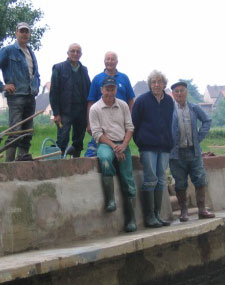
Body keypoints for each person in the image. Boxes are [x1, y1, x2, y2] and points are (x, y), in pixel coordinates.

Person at [89, 77, 137, 232]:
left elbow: (130, 127)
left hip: (122, 143)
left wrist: (123, 145)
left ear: (116, 89)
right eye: (107, 89)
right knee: (104, 160)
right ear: (102, 90)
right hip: (105, 143)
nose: (110, 92)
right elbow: (96, 133)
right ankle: (110, 200)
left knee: (128, 179)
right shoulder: (95, 108)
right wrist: (114, 147)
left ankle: (131, 219)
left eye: (112, 89)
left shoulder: (123, 105)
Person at [0, 22, 40, 161]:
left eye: (26, 31)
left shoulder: (30, 52)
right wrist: (2, 86)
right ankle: (9, 164)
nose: (24, 34)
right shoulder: (9, 51)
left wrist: (37, 86)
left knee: (27, 132)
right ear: (16, 33)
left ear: (29, 34)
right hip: (16, 97)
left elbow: (36, 74)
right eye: (21, 31)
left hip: (30, 96)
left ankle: (22, 160)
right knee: (15, 132)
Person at [132, 70, 174, 228]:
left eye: (159, 82)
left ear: (164, 84)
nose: (156, 85)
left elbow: (171, 123)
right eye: (153, 82)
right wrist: (141, 142)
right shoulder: (142, 101)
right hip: (148, 146)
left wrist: (170, 141)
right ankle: (149, 216)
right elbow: (133, 124)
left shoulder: (169, 101)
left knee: (161, 180)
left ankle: (157, 214)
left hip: (164, 147)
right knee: (150, 179)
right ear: (150, 85)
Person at [169, 80, 215, 221]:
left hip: (193, 151)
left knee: (200, 179)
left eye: (182, 90)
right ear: (173, 94)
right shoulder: (169, 110)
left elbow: (207, 120)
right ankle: (184, 212)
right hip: (176, 153)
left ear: (186, 92)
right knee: (180, 182)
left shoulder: (194, 108)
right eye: (176, 91)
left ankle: (202, 210)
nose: (179, 94)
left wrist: (199, 137)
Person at [85, 51, 136, 157]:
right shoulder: (97, 78)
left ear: (117, 62)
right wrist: (89, 123)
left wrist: (130, 119)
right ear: (104, 61)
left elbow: (131, 100)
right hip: (102, 120)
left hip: (120, 119)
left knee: (122, 148)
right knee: (95, 150)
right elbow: (91, 101)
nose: (110, 61)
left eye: (112, 59)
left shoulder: (124, 78)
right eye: (107, 59)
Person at [49, 43, 90, 157]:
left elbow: (88, 89)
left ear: (81, 54)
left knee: (78, 140)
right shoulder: (59, 68)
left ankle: (75, 164)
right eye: (73, 51)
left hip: (80, 111)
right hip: (64, 112)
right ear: (68, 53)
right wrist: (56, 113)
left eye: (78, 51)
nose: (75, 53)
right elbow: (54, 92)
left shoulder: (84, 70)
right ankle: (60, 165)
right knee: (62, 139)